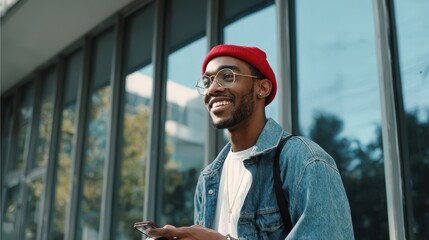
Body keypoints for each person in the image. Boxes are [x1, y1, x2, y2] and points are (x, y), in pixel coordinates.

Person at [146, 44, 354, 239]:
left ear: (262, 88)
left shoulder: (305, 161)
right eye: (207, 81)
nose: (212, 89)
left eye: (227, 76)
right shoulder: (208, 180)